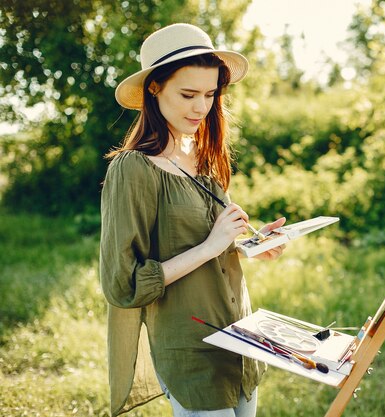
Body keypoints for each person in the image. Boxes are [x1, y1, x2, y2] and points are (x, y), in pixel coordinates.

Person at [99, 23, 285, 417]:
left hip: (241, 336)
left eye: (209, 94)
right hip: (190, 346)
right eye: (188, 94)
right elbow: (123, 284)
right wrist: (211, 246)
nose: (201, 107)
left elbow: (216, 240)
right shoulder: (134, 169)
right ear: (155, 88)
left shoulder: (203, 159)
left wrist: (254, 244)